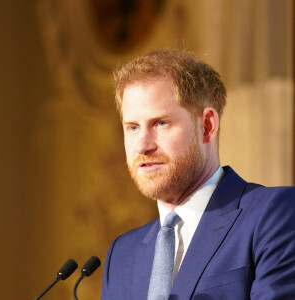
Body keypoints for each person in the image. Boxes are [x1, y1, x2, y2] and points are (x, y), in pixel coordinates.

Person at [101, 49, 295, 300]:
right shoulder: (121, 254)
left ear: (206, 126)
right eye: (133, 127)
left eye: (160, 123)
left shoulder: (274, 215)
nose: (142, 145)